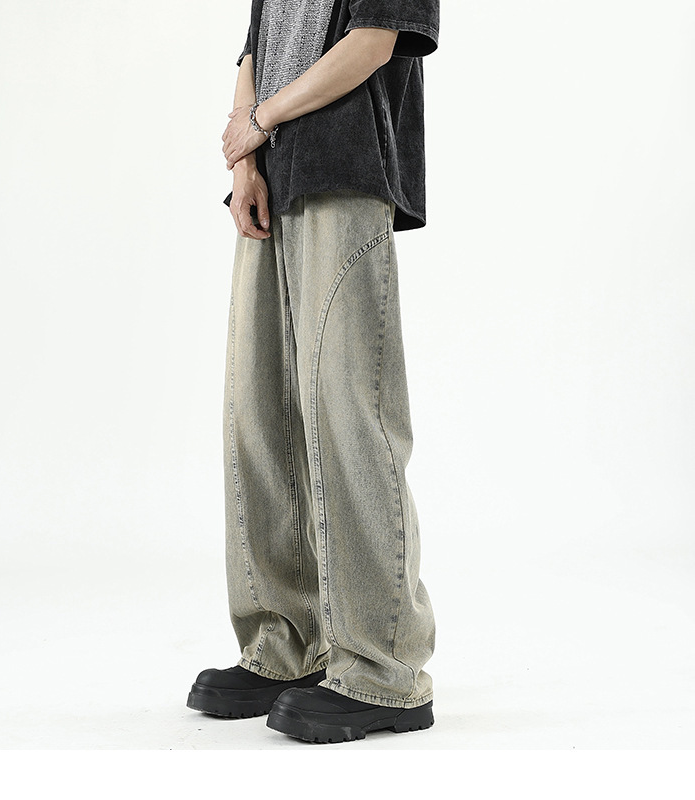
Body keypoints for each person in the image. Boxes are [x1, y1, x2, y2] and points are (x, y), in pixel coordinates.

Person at [187, 0, 440, 744]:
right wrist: (245, 159)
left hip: (342, 168)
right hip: (270, 175)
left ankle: (383, 668)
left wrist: (260, 122)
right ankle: (284, 645)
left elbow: (373, 43)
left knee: (348, 413)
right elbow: (255, 47)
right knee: (258, 412)